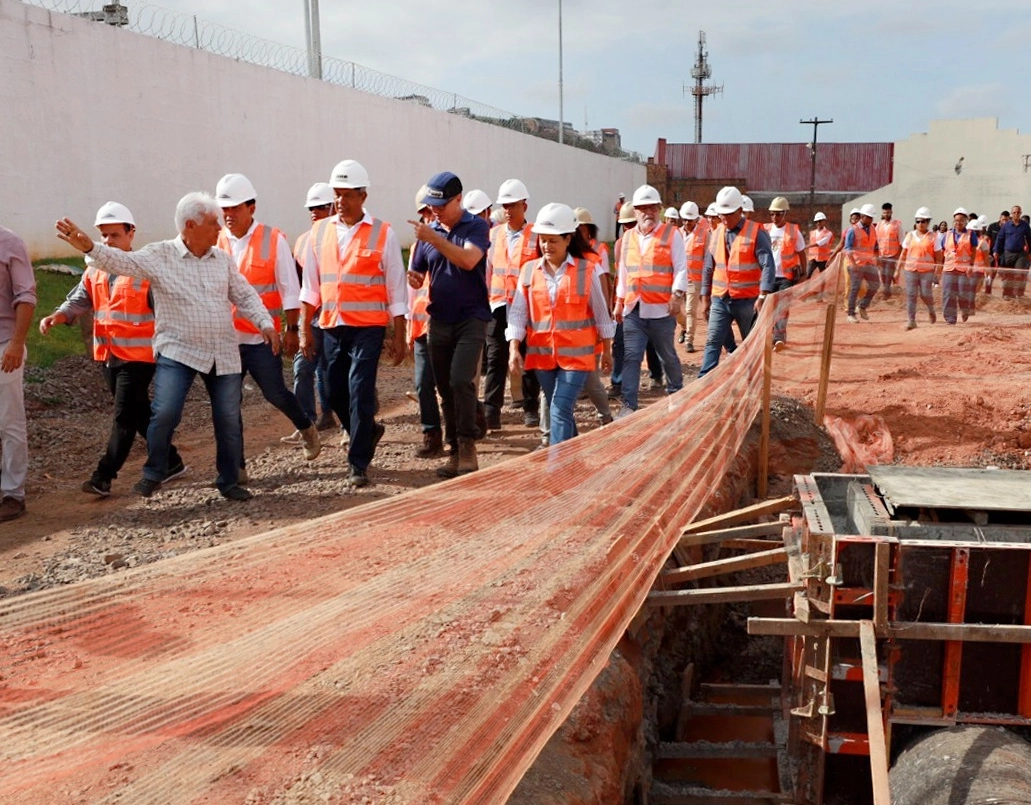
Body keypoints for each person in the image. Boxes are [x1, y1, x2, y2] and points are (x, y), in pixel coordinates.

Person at [55, 193, 277, 501]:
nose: (219, 229)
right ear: (190, 225)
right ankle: (155, 472)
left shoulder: (222, 260)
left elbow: (245, 295)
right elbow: (123, 261)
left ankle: (229, 482)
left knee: (227, 419)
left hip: (222, 353)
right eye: (213, 223)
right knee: (164, 413)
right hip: (178, 352)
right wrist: (91, 248)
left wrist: (265, 323)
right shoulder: (159, 256)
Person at [40, 202, 185, 497]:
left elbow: (168, 313)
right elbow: (80, 299)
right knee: (138, 413)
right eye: (104, 236)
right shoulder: (94, 269)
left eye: (115, 235)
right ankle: (171, 461)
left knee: (123, 417)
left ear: (131, 234)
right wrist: (59, 315)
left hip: (140, 357)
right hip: (109, 355)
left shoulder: (146, 271)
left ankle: (103, 476)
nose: (108, 242)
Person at [299, 160, 407, 488]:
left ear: (363, 195)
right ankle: (369, 431)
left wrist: (399, 334)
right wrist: (305, 327)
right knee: (332, 392)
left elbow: (396, 286)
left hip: (369, 327)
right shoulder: (319, 233)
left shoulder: (382, 232)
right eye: (337, 194)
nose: (341, 201)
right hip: (331, 324)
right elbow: (311, 286)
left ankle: (357, 462)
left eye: (348, 194)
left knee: (360, 389)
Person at [214, 173, 320, 470]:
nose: (229, 214)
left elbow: (289, 289)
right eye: (225, 208)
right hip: (226, 341)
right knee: (228, 406)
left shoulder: (273, 240)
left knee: (275, 393)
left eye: (235, 207)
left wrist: (291, 330)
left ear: (252, 207)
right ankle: (235, 469)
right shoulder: (215, 241)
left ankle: (306, 427)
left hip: (262, 338)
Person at [506, 203, 614, 445]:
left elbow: (601, 315)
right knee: (561, 409)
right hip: (542, 357)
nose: (546, 246)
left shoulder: (588, 270)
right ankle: (574, 460)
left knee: (559, 407)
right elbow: (518, 315)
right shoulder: (529, 271)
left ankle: (557, 468)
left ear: (568, 239)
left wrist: (607, 350)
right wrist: (514, 348)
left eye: (553, 240)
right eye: (543, 240)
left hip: (577, 358)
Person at [408, 170, 491, 478]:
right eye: (431, 205)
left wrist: (435, 239)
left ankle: (469, 445)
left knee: (460, 379)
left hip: (472, 318)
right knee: (443, 386)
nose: (435, 210)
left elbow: (468, 260)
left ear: (459, 199)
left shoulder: (477, 227)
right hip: (439, 318)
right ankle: (455, 450)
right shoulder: (427, 232)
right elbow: (417, 271)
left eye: (441, 205)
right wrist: (415, 277)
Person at [612, 184, 687, 413]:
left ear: (659, 210)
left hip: (662, 310)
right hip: (634, 308)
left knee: (667, 355)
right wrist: (619, 301)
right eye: (643, 208)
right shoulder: (627, 240)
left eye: (653, 208)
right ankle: (628, 406)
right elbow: (624, 273)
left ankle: (677, 394)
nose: (648, 212)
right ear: (635, 212)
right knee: (631, 358)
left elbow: (681, 268)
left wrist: (676, 295)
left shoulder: (671, 234)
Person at [698, 186, 775, 377]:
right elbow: (709, 266)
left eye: (729, 214)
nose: (724, 219)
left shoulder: (756, 232)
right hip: (720, 299)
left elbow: (768, 265)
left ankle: (753, 384)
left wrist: (763, 294)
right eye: (721, 214)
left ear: (740, 211)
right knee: (713, 342)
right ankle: (703, 385)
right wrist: (704, 296)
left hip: (747, 301)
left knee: (751, 345)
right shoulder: (715, 233)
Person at [483, 179, 541, 431]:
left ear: (524, 206)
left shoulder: (537, 235)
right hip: (497, 305)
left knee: (528, 357)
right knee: (496, 358)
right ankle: (491, 412)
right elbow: (487, 270)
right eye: (504, 205)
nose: (508, 210)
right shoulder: (493, 235)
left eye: (513, 205)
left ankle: (531, 408)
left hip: (527, 306)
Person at [282, 182, 337, 447]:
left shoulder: (341, 237)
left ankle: (332, 414)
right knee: (303, 368)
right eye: (311, 208)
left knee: (329, 370)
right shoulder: (302, 242)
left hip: (338, 316)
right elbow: (297, 283)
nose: (314, 212)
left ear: (333, 208)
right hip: (312, 317)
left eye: (320, 207)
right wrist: (297, 323)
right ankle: (307, 422)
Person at [0, 226, 35, 521]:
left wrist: (16, 343)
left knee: (9, 422)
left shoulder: (10, 242)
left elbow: (26, 296)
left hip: (4, 345)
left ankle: (13, 494)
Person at [407, 185, 444, 458]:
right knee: (422, 383)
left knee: (451, 382)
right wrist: (410, 326)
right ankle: (432, 433)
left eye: (430, 211)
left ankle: (472, 414)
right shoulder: (419, 244)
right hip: (422, 325)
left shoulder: (449, 240)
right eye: (423, 213)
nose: (427, 216)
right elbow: (412, 288)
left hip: (446, 323)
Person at [572, 207, 614, 426]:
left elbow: (603, 283)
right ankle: (550, 433)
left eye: (580, 228)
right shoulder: (562, 256)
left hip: (586, 331)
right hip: (564, 336)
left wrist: (605, 315)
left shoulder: (595, 256)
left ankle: (605, 414)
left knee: (592, 381)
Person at [765, 197, 806, 350]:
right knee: (767, 309)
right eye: (772, 214)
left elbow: (801, 252)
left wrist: (804, 272)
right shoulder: (766, 229)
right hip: (767, 277)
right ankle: (768, 336)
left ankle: (779, 338)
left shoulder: (793, 231)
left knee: (782, 309)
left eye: (778, 214)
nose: (775, 218)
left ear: (785, 213)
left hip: (785, 278)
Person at [607, 201, 638, 399]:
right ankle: (617, 383)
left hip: (644, 302)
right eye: (625, 225)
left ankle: (657, 374)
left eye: (631, 224)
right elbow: (618, 275)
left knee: (648, 344)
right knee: (618, 343)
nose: (628, 228)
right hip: (624, 301)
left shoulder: (647, 243)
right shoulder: (619, 245)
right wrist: (615, 302)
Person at [895, 207, 940, 330]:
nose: (920, 224)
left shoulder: (934, 237)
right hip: (910, 270)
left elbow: (939, 257)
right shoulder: (910, 236)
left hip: (927, 271)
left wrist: (937, 273)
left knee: (925, 294)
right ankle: (911, 320)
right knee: (911, 294)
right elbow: (903, 254)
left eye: (923, 221)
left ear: (928, 222)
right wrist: (897, 269)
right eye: (918, 221)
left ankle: (931, 309)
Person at [678, 200, 708, 354]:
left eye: (690, 220)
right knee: (674, 309)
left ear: (697, 219)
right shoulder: (677, 233)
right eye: (684, 219)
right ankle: (683, 326)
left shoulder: (704, 235)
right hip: (678, 279)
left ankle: (689, 340)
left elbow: (708, 260)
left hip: (694, 280)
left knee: (690, 310)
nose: (687, 223)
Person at [844, 203, 882, 323]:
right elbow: (848, 249)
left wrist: (877, 258)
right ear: (862, 216)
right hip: (856, 264)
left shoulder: (872, 229)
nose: (871, 220)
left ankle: (862, 306)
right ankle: (850, 314)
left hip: (869, 263)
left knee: (875, 284)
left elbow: (875, 246)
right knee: (855, 288)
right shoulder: (852, 230)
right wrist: (854, 264)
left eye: (872, 218)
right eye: (869, 217)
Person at [941, 207, 978, 325]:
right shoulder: (946, 235)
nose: (958, 223)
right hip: (949, 268)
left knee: (963, 293)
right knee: (948, 293)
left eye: (961, 220)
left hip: (964, 269)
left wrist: (971, 265)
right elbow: (943, 250)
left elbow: (973, 251)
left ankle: (965, 309)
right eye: (956, 220)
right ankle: (950, 318)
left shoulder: (971, 235)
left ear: (966, 221)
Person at [994, 204, 1031, 298]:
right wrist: (996, 251)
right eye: (1014, 212)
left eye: (1018, 212)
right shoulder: (1006, 226)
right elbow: (1000, 239)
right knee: (1008, 275)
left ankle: (1019, 293)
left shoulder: (1025, 225)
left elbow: (1030, 239)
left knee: (1019, 274)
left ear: (1021, 213)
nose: (1016, 214)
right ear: (1011, 214)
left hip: (1020, 254)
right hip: (1008, 254)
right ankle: (1007, 294)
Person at [876, 202, 902, 298]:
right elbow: (876, 241)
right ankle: (888, 291)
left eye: (888, 212)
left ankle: (886, 294)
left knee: (888, 274)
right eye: (884, 213)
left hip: (892, 255)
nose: (886, 214)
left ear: (891, 212)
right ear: (882, 213)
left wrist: (898, 256)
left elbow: (901, 241)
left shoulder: (897, 225)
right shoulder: (879, 225)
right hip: (882, 255)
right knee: (883, 275)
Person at [983, 210, 1009, 294]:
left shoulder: (1009, 228)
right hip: (991, 253)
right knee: (990, 273)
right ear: (1000, 218)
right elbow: (986, 239)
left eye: (1006, 220)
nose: (1004, 222)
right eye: (1003, 220)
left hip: (1004, 254)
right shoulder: (992, 226)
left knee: (1004, 274)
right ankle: (987, 291)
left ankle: (1006, 292)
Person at [807, 212, 833, 277]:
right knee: (807, 274)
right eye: (816, 221)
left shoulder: (828, 233)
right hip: (813, 258)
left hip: (823, 259)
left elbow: (820, 243)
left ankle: (824, 287)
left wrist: (806, 246)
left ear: (824, 221)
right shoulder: (812, 233)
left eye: (820, 221)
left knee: (824, 278)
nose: (818, 223)